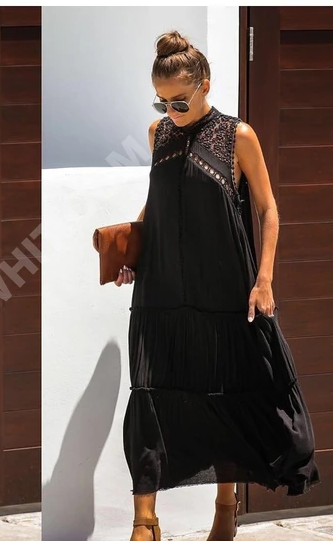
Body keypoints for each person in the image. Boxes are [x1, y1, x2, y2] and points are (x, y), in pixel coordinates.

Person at [115, 30, 320, 541]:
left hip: (224, 290)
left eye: (179, 101)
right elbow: (156, 203)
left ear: (205, 86)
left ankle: (226, 511)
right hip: (160, 292)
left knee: (225, 397)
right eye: (161, 102)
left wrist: (264, 279)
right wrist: (131, 252)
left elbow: (269, 210)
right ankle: (144, 522)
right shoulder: (158, 134)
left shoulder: (237, 136)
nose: (171, 111)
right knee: (152, 396)